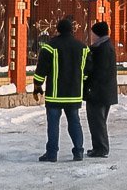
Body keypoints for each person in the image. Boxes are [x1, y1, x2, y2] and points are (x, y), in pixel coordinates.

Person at [33, 17, 89, 162]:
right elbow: (87, 70)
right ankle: (78, 151)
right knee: (74, 122)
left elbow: (41, 70)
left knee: (53, 124)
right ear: (72, 30)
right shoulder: (83, 48)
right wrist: (81, 82)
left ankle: (52, 154)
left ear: (57, 30)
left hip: (55, 95)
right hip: (74, 94)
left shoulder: (49, 47)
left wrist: (37, 85)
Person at [83, 20, 118, 158]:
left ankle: (101, 148)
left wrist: (90, 86)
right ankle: (98, 147)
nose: (91, 36)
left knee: (97, 121)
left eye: (92, 33)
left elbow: (99, 72)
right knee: (98, 121)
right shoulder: (104, 47)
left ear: (97, 34)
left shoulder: (103, 49)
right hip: (104, 91)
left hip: (99, 92)